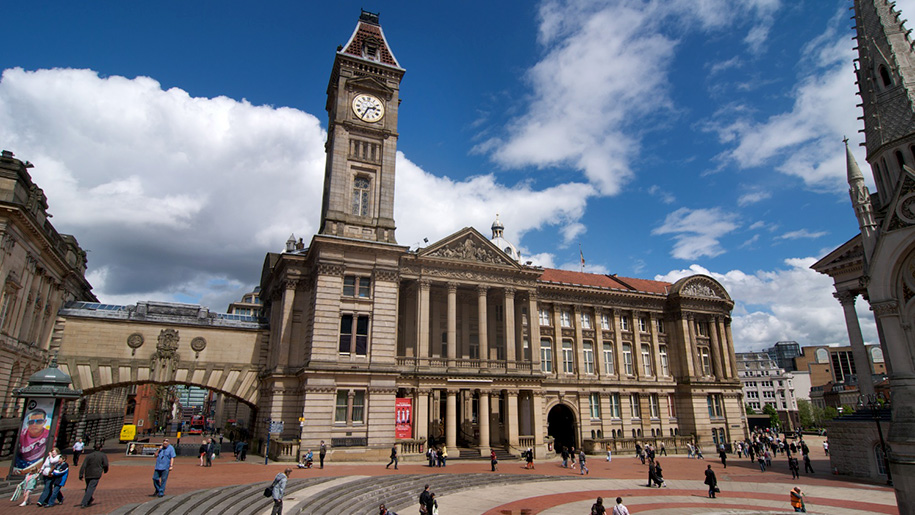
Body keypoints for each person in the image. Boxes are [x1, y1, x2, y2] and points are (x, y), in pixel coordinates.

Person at [16, 409, 51, 473]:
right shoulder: (22, 435)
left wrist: (24, 471)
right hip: (22, 463)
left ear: (44, 422)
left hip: (36, 464)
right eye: (31, 422)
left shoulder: (49, 435)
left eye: (39, 421)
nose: (34, 424)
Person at [78, 442, 108, 508]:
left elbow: (84, 465)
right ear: (100, 448)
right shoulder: (102, 455)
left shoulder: (89, 456)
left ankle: (89, 499)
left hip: (88, 473)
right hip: (96, 473)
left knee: (88, 487)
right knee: (90, 488)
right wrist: (105, 470)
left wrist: (81, 474)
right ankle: (84, 502)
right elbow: (105, 464)